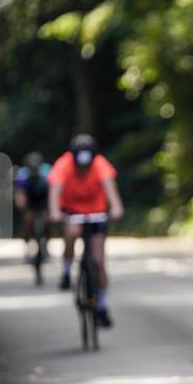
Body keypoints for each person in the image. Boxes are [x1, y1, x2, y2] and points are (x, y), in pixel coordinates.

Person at [47, 134, 124, 328]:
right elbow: (55, 189)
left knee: (98, 261)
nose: (83, 169)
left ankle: (102, 305)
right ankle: (66, 270)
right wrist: (55, 212)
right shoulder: (63, 164)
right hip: (72, 212)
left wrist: (116, 207)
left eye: (86, 165)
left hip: (97, 213)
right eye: (80, 165)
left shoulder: (100, 164)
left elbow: (110, 188)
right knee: (71, 233)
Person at [14, 152, 51, 262]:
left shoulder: (48, 173)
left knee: (46, 221)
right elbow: (20, 194)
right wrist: (21, 205)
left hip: (43, 198)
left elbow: (53, 192)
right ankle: (26, 246)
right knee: (28, 220)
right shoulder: (22, 175)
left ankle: (46, 245)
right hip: (30, 199)